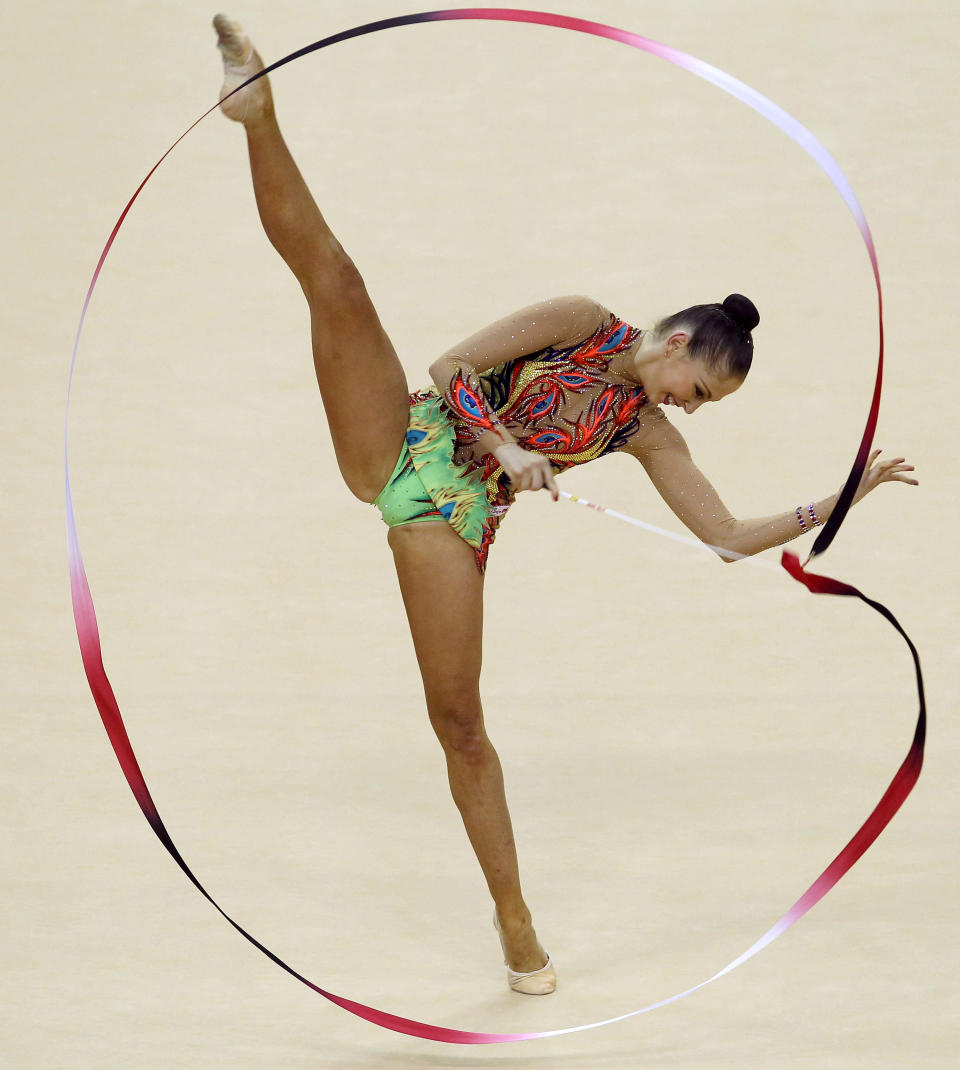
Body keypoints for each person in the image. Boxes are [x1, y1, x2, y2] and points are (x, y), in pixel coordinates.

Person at [212, 15, 918, 995]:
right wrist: (504, 443)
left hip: (449, 521)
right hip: (405, 439)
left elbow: (719, 538)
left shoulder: (644, 433)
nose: (691, 412)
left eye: (701, 408)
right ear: (677, 344)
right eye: (700, 392)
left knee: (459, 721)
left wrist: (832, 500)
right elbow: (450, 364)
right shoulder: (586, 322)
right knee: (339, 283)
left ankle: (516, 919)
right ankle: (256, 116)